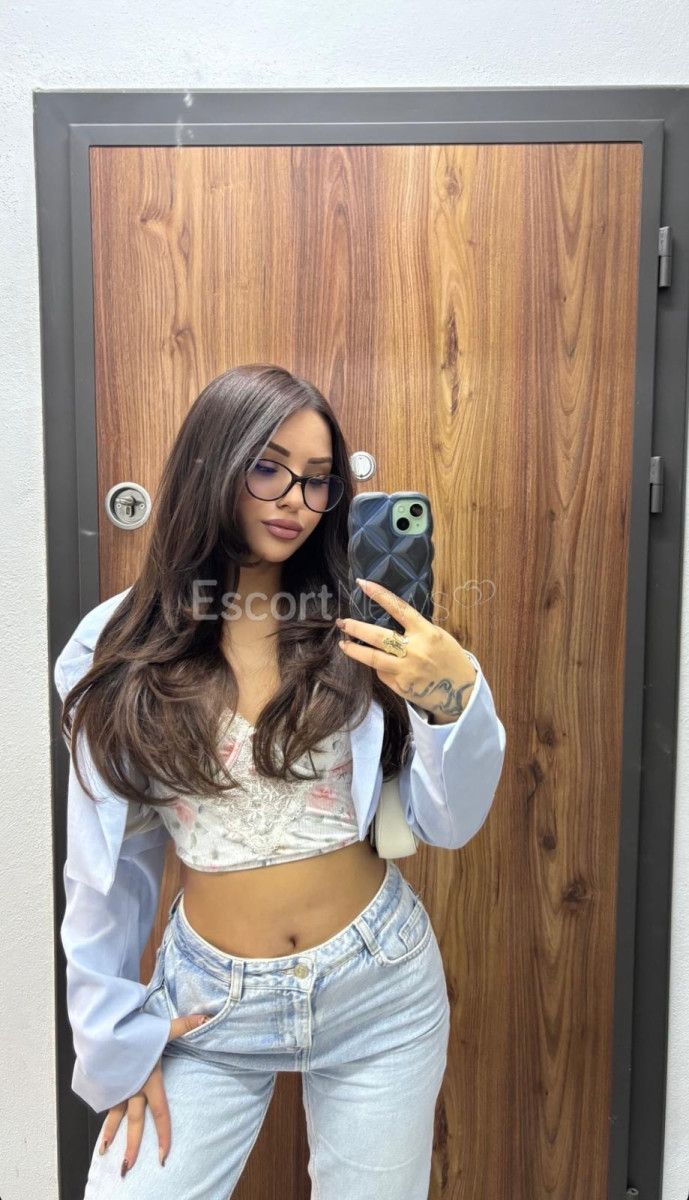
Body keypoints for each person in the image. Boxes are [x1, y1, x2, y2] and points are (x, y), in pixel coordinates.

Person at [54, 363, 506, 1199]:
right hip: (204, 1005)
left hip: (380, 991)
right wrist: (113, 1037)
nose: (297, 498)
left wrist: (452, 701)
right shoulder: (112, 645)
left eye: (319, 479)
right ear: (210, 464)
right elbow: (106, 866)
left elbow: (446, 822)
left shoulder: (359, 627)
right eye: (268, 467)